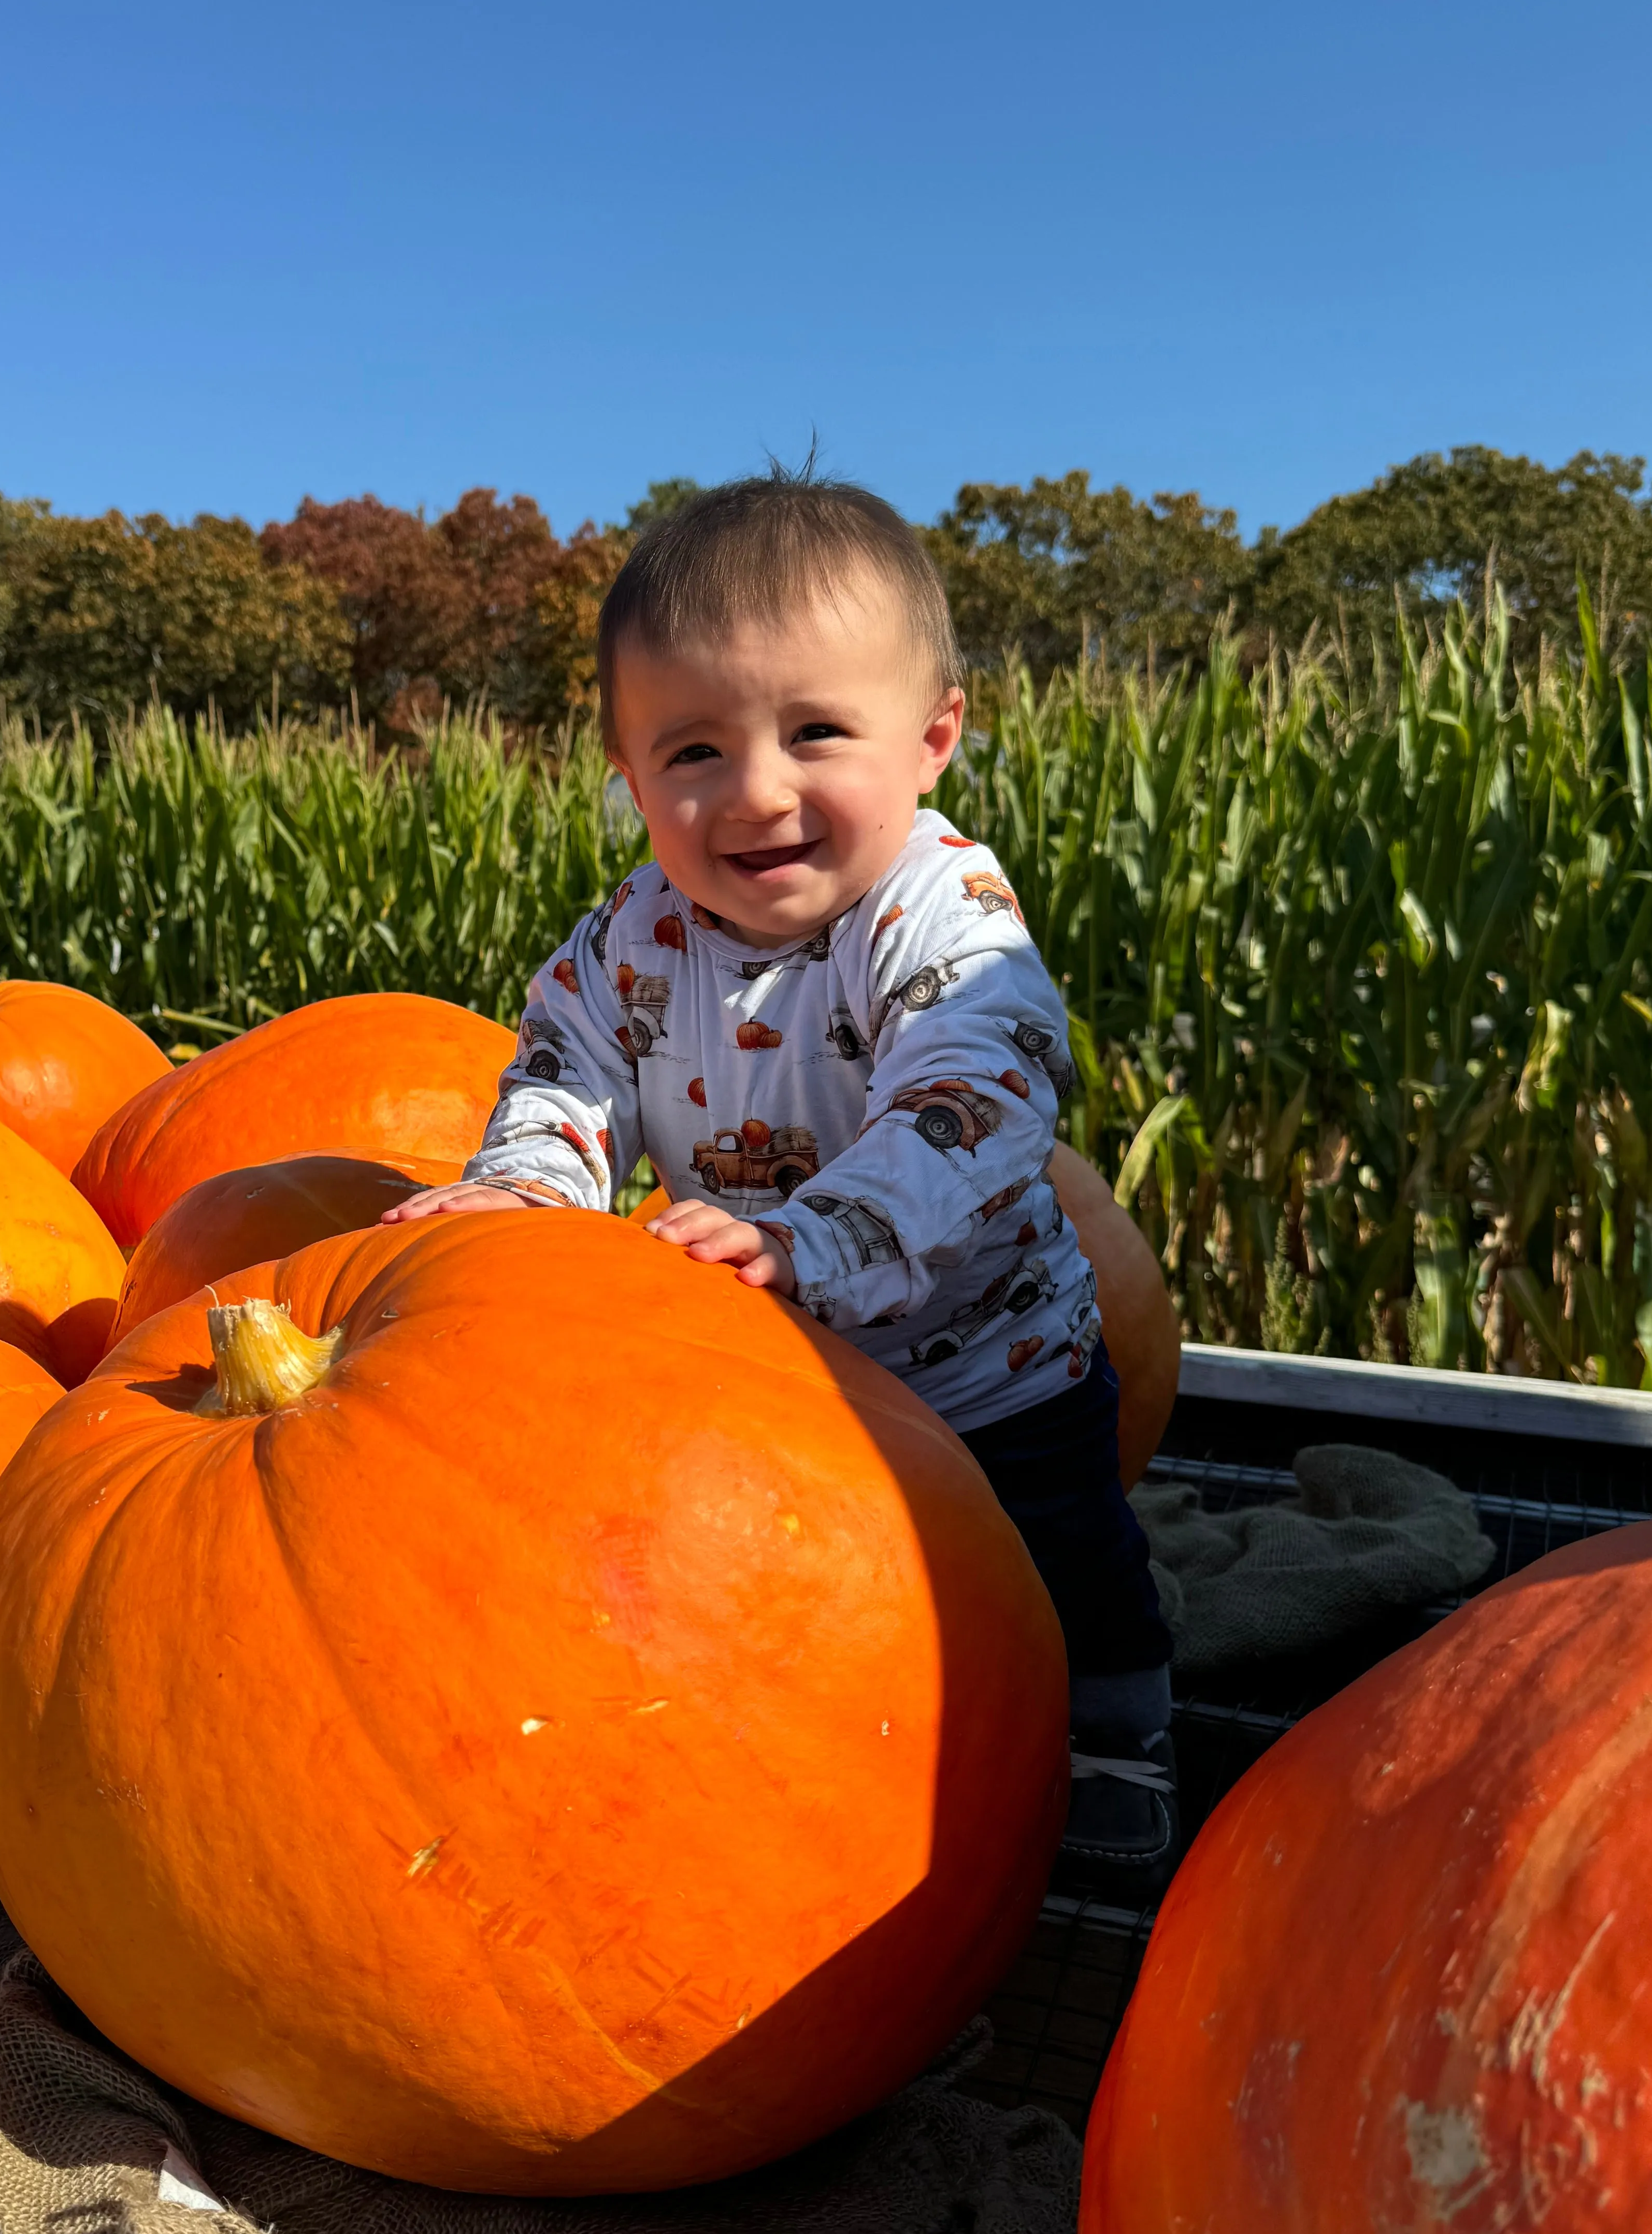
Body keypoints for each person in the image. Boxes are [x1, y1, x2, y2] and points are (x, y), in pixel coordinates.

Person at [383, 470, 1174, 1881]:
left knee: (1065, 1558)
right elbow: (566, 1070)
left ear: (932, 738)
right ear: (626, 775)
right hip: (769, 1389)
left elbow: (969, 1103)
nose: (753, 792)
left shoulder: (939, 916)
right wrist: (527, 1196)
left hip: (981, 1369)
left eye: (814, 732)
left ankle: (1118, 1732)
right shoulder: (634, 938)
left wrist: (820, 1242)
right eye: (690, 751)